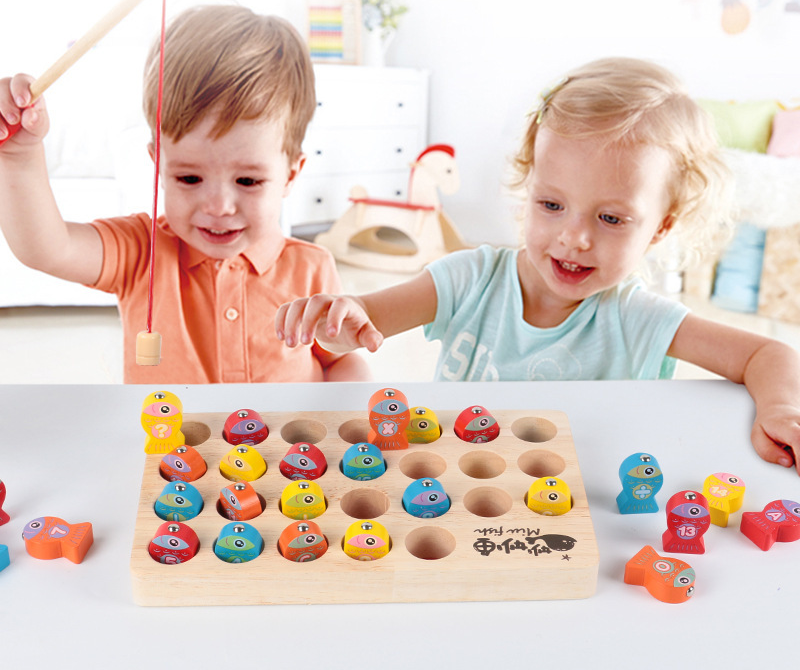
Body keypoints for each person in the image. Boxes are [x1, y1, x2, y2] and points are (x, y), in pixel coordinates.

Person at [275, 57, 800, 470]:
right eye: (551, 205)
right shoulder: (469, 281)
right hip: (455, 490)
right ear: (529, 189)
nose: (574, 237)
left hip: (581, 506)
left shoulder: (638, 318)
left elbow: (768, 355)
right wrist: (343, 319)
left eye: (612, 219)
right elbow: (367, 318)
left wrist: (780, 410)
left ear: (660, 227)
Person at [0, 5, 370, 383]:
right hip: (168, 443)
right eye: (190, 178)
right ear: (159, 163)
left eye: (247, 181)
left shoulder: (312, 268)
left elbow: (339, 361)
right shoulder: (139, 252)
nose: (219, 207)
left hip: (283, 444)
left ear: (291, 175)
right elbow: (46, 247)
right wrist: (19, 155)